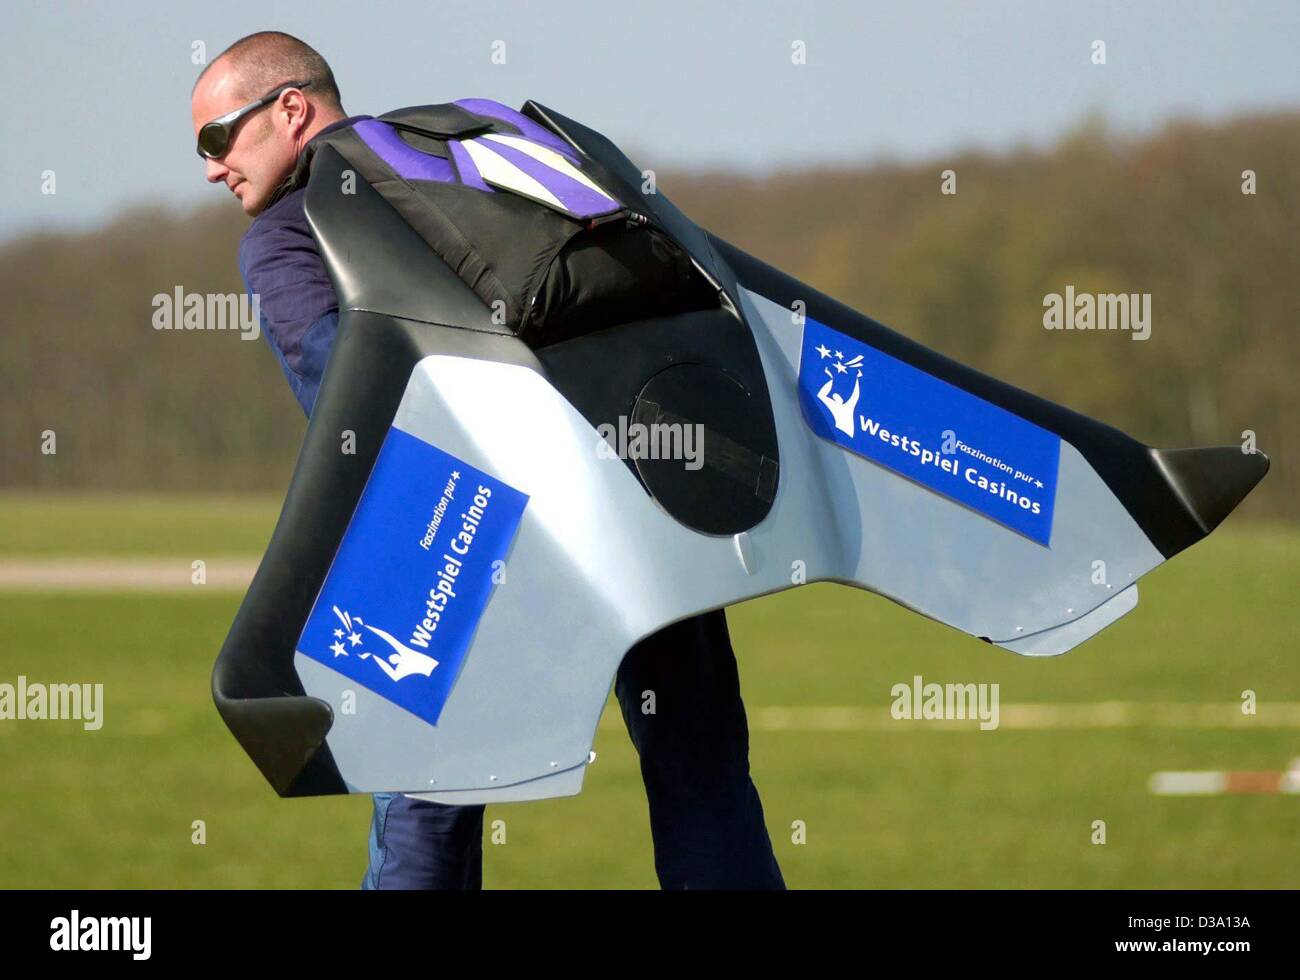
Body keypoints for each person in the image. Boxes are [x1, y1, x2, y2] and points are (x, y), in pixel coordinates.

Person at [191, 30, 785, 890]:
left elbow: (352, 405)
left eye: (217, 139)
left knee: (424, 816)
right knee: (705, 777)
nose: (211, 169)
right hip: (639, 501)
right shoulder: (465, 148)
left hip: (459, 534)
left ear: (289, 109)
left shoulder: (293, 224)